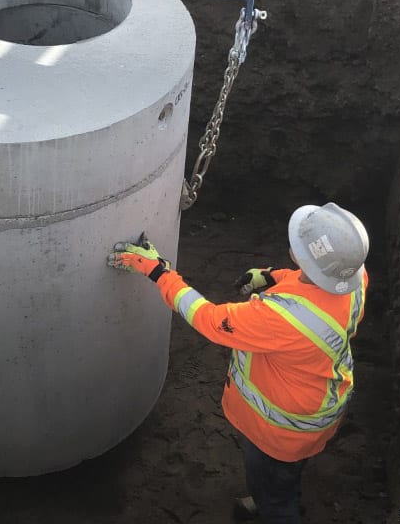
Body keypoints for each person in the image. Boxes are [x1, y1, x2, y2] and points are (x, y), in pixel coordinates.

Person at [107, 203, 370, 524]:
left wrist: (158, 272)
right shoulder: (353, 279)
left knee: (273, 490)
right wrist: (272, 276)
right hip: (319, 408)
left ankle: (275, 507)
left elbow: (209, 319)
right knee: (284, 477)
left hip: (281, 431)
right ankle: (277, 495)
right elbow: (312, 284)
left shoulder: (279, 318)